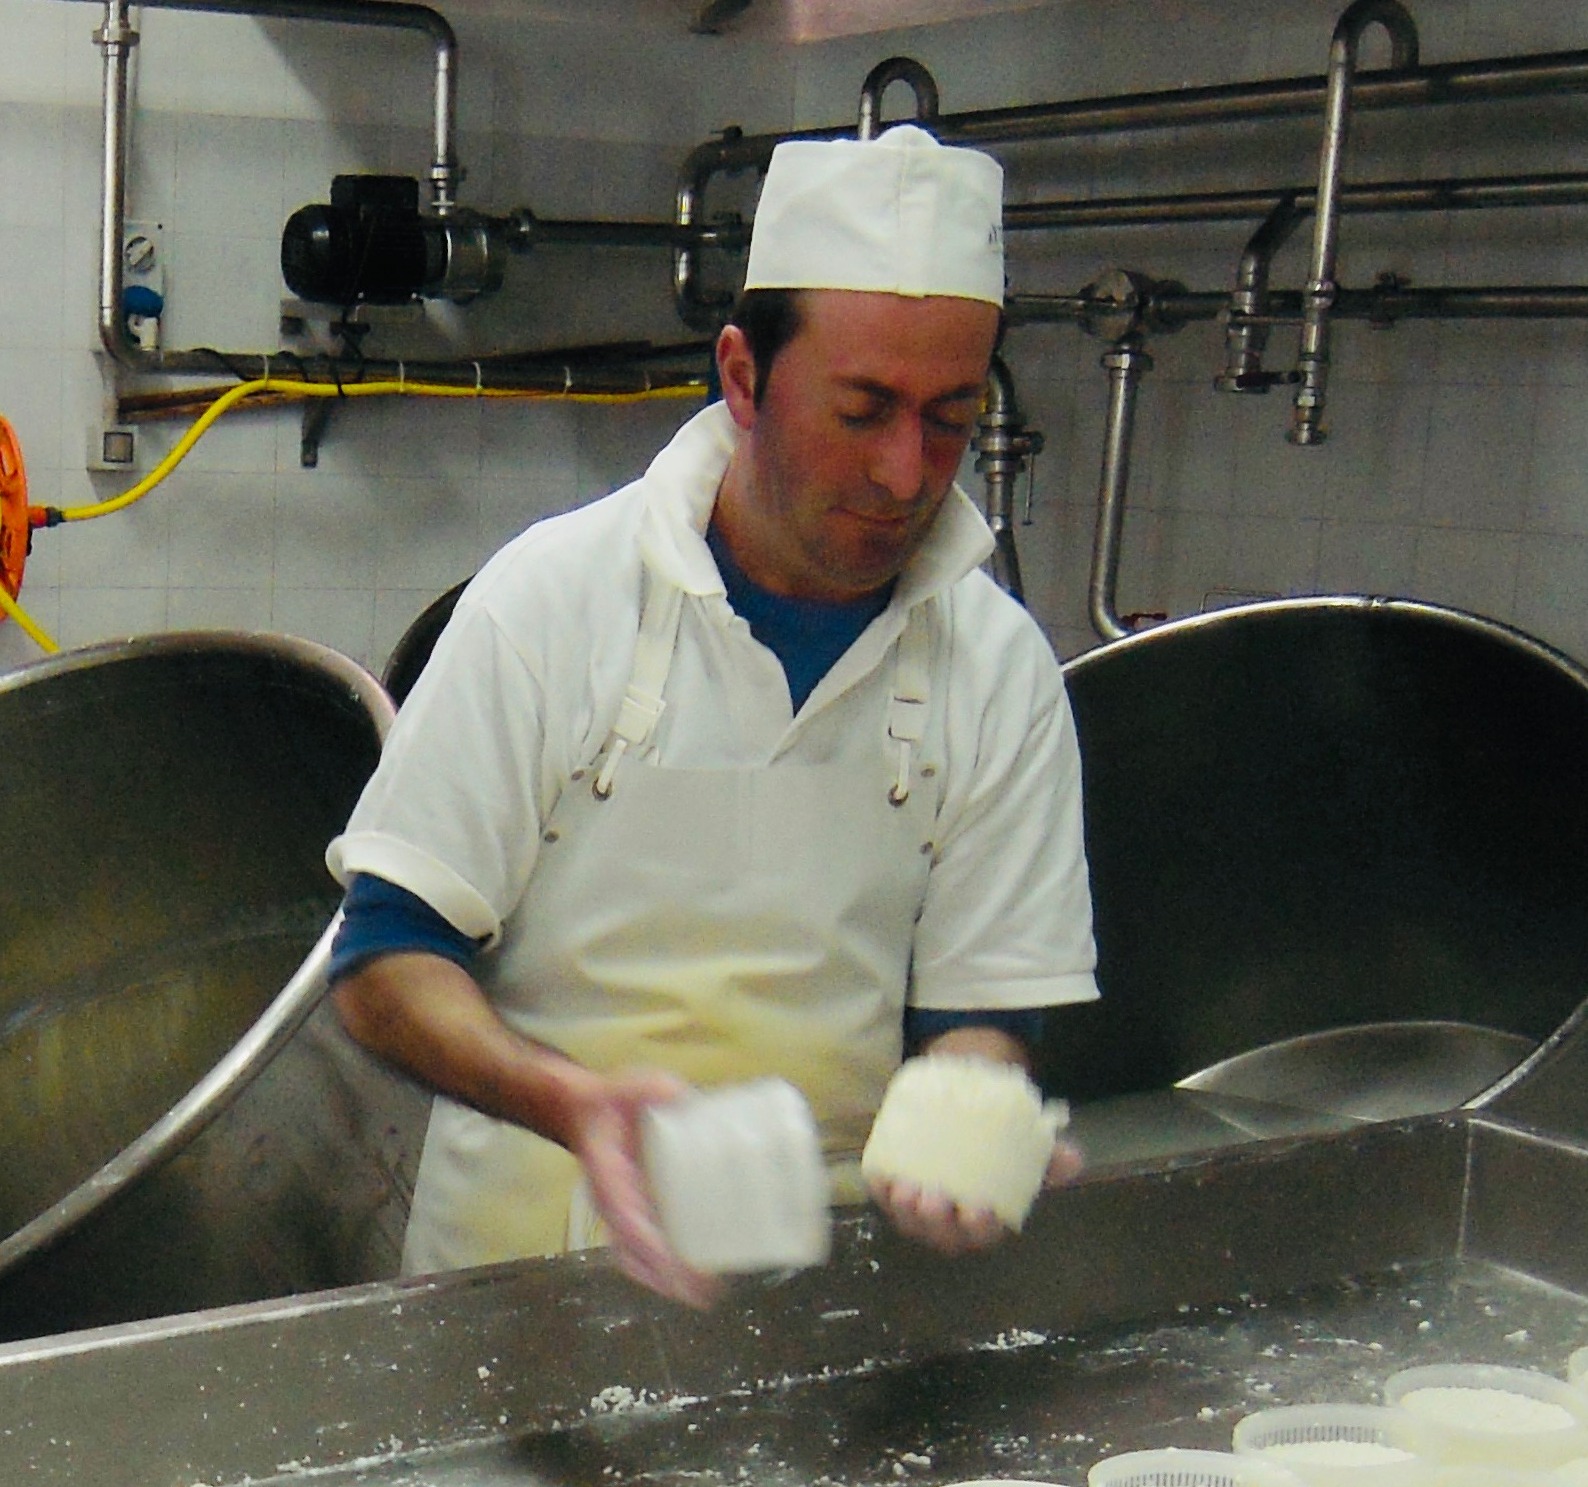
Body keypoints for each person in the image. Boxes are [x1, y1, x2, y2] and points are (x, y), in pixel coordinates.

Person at [325, 126, 1096, 1305]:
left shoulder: (995, 664)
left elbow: (978, 1010)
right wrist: (571, 1104)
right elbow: (384, 965)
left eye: (948, 416)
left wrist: (970, 1129)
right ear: (741, 376)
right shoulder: (553, 598)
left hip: (822, 1297)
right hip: (512, 1291)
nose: (906, 469)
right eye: (862, 409)